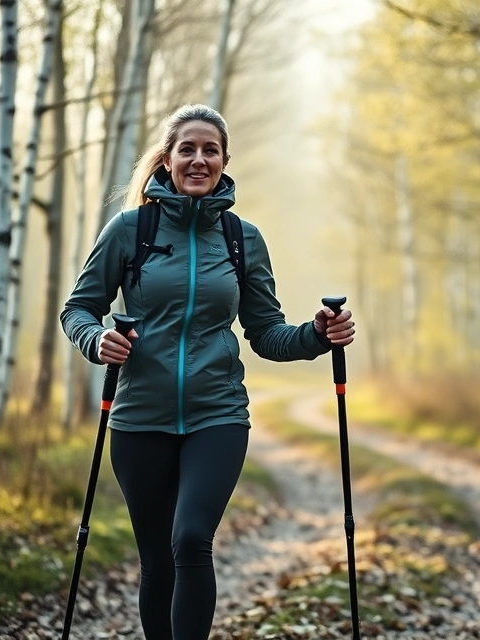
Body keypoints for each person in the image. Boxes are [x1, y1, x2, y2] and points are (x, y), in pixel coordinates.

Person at [60, 103, 355, 639]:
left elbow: (266, 333)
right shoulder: (130, 230)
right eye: (187, 149)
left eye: (210, 150)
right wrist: (95, 337)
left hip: (217, 416)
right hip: (138, 419)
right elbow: (77, 308)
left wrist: (315, 334)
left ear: (224, 161)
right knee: (157, 558)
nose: (199, 159)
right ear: (166, 160)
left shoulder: (243, 239)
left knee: (191, 537)